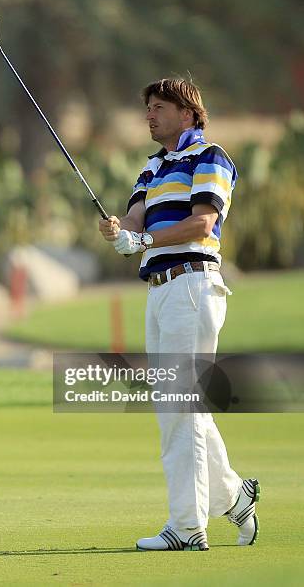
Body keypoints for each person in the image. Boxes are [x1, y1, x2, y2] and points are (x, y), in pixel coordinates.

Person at [99, 78, 260, 551]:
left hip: (192, 285)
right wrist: (119, 231)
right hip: (159, 292)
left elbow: (202, 222)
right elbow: (135, 219)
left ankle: (188, 528)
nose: (149, 114)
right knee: (181, 407)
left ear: (187, 114)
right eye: (147, 107)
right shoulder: (151, 168)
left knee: (181, 409)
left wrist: (144, 240)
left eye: (159, 107)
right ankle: (234, 496)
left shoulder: (211, 157)